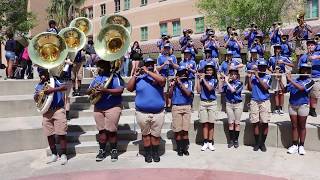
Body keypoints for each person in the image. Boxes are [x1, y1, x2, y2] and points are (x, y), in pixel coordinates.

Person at [127, 58, 166, 163]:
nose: (149, 66)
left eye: (151, 64)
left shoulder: (158, 77)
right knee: (145, 135)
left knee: (156, 135)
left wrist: (148, 72)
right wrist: (135, 75)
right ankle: (148, 154)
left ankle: (155, 153)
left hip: (158, 113)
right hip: (142, 113)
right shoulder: (139, 78)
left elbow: (162, 81)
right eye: (147, 64)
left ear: (153, 65)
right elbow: (129, 88)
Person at [87, 60, 124, 162]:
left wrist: (106, 90)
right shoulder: (97, 78)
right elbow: (88, 90)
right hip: (98, 107)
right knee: (101, 131)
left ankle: (113, 150)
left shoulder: (115, 76)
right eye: (99, 66)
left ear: (107, 66)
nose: (100, 68)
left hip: (112, 106)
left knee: (111, 131)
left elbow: (120, 90)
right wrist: (93, 89)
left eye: (102, 66)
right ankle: (102, 151)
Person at [34, 69, 68, 165]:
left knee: (61, 133)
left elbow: (65, 87)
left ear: (47, 73)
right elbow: (36, 99)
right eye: (40, 74)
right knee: (49, 134)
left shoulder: (55, 81)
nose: (42, 76)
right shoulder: (39, 85)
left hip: (58, 109)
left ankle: (63, 155)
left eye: (44, 74)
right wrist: (38, 95)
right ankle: (54, 154)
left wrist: (52, 90)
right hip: (46, 111)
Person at [279, 63, 314, 155]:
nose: (304, 71)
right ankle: (295, 145)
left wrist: (290, 79)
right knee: (294, 126)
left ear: (309, 71)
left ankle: (301, 146)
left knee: (302, 126)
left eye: (306, 70)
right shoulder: (295, 79)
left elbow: (302, 88)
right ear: (300, 70)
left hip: (303, 105)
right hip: (292, 105)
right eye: (303, 69)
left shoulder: (310, 81)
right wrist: (279, 80)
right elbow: (284, 90)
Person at [247, 59, 272, 152]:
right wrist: (249, 78)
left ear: (265, 68)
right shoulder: (253, 77)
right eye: (260, 67)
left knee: (265, 122)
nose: (262, 68)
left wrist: (257, 77)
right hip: (254, 101)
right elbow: (250, 88)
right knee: (255, 122)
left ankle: (263, 143)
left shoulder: (268, 76)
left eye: (263, 67)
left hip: (264, 101)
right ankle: (257, 143)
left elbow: (266, 87)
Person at [169, 66, 193, 156]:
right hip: (176, 107)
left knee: (185, 129)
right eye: (180, 72)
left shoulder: (189, 82)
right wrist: (172, 86)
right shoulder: (174, 83)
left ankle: (184, 148)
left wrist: (179, 83)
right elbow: (170, 95)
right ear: (177, 74)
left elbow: (188, 93)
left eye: (184, 72)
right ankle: (179, 148)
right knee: (178, 130)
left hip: (186, 107)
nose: (183, 74)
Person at [196, 63, 218, 151]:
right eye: (207, 70)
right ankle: (205, 142)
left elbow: (209, 88)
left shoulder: (215, 79)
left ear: (213, 71)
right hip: (203, 102)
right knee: (204, 123)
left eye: (210, 70)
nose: (209, 71)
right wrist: (198, 79)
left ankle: (210, 142)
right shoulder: (202, 79)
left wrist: (203, 79)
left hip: (212, 103)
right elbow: (198, 90)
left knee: (211, 123)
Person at [220, 66, 243, 148]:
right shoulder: (227, 83)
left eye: (234, 74)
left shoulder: (239, 83)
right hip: (229, 104)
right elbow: (220, 90)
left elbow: (233, 90)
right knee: (230, 123)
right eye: (231, 74)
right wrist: (223, 82)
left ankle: (236, 140)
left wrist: (227, 81)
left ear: (237, 75)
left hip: (238, 105)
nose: (233, 76)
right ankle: (231, 140)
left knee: (237, 124)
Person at [268, 44, 294, 114]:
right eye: (276, 49)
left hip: (282, 75)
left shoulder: (284, 57)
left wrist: (283, 62)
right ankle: (276, 108)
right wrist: (272, 71)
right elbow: (268, 66)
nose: (277, 50)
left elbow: (292, 65)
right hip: (275, 75)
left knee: (281, 92)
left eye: (278, 49)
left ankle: (281, 108)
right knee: (276, 92)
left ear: (280, 50)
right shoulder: (271, 58)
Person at [298, 39, 320, 117]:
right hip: (305, 78)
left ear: (315, 46)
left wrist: (316, 57)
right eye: (309, 45)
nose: (310, 46)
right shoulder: (303, 56)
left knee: (314, 94)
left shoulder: (318, 53)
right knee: (305, 94)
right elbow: (299, 67)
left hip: (316, 78)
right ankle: (306, 108)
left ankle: (312, 110)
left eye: (312, 45)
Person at [157, 43, 179, 110]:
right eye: (165, 48)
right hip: (163, 76)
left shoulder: (173, 57)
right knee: (164, 91)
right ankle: (165, 105)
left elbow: (177, 67)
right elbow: (157, 68)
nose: (167, 49)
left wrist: (172, 63)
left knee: (170, 91)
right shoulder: (160, 57)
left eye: (168, 48)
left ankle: (170, 105)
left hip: (171, 75)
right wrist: (164, 64)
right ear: (163, 49)